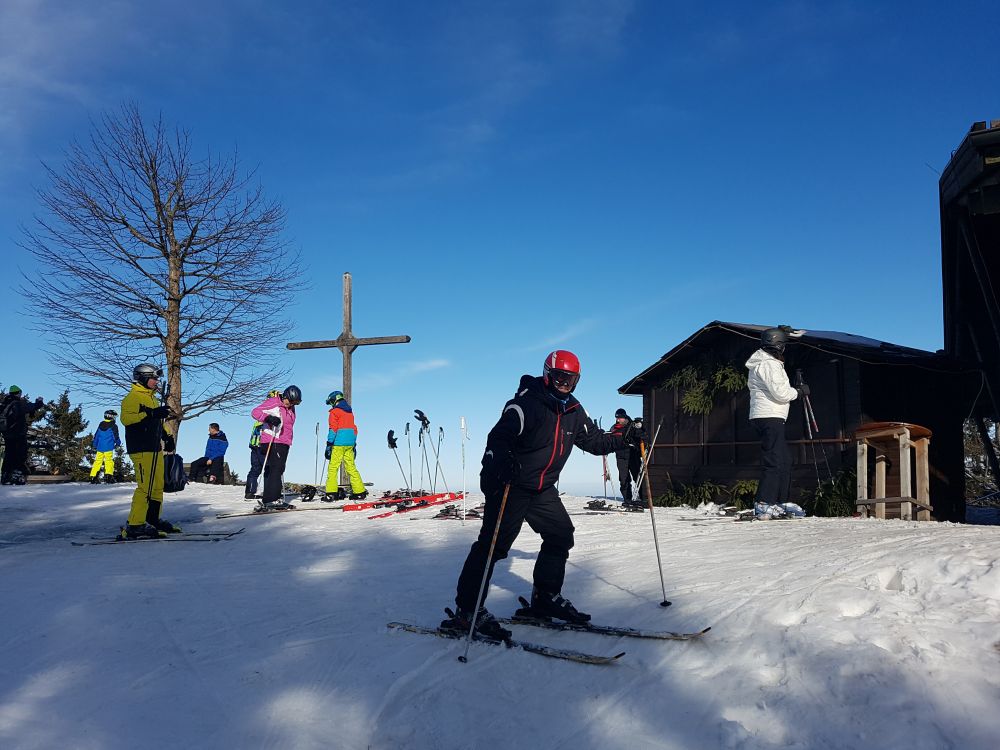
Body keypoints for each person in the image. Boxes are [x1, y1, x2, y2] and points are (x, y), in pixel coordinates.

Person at [441, 350, 626, 640]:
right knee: (493, 546)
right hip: (510, 484)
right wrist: (502, 463)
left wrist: (624, 438)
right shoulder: (526, 404)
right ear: (547, 374)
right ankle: (468, 612)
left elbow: (593, 441)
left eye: (571, 379)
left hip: (541, 488)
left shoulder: (574, 411)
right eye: (560, 377)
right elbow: (498, 440)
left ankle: (545, 598)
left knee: (561, 535)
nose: (565, 383)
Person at [745, 327, 808, 514]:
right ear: (778, 345)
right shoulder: (768, 364)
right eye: (783, 345)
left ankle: (779, 501)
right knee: (773, 459)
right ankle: (764, 503)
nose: (784, 349)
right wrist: (798, 392)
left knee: (785, 460)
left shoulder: (767, 363)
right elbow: (780, 393)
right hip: (768, 416)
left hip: (771, 416)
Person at [119, 363, 180, 539]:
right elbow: (126, 419)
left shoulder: (152, 398)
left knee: (156, 486)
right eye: (153, 378)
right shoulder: (132, 397)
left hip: (154, 448)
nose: (156, 382)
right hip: (140, 448)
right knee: (145, 487)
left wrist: (167, 437)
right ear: (143, 378)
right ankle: (135, 524)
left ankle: (152, 519)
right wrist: (151, 414)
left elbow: (157, 422)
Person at [250, 385, 301, 510]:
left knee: (277, 469)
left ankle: (271, 497)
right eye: (289, 401)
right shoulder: (274, 402)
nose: (290, 404)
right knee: (277, 468)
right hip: (272, 439)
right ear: (285, 396)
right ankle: (271, 499)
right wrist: (268, 418)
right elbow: (255, 412)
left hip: (284, 441)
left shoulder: (291, 407)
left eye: (294, 403)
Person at [323, 390, 367, 500]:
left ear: (334, 400)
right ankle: (360, 491)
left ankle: (331, 493)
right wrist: (354, 443)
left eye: (331, 402)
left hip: (338, 443)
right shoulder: (349, 412)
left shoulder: (334, 412)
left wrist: (329, 444)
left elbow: (333, 429)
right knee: (351, 467)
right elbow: (354, 429)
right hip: (350, 443)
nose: (331, 404)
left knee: (333, 467)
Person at [0, 385, 45, 485]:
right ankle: (17, 475)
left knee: (9, 454)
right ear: (18, 393)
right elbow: (33, 406)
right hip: (18, 433)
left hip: (7, 434)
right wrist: (39, 401)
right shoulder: (18, 403)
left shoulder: (4, 403)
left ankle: (5, 475)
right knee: (20, 454)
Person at [245, 389, 281, 499]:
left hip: (254, 444)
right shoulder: (268, 411)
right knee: (268, 467)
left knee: (255, 468)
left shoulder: (261, 411)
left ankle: (250, 491)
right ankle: (268, 492)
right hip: (262, 444)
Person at [610, 408, 647, 510]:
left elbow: (642, 436)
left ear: (625, 417)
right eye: (617, 418)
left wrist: (639, 427)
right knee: (624, 479)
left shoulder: (632, 426)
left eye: (620, 418)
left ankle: (643, 499)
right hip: (621, 457)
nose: (618, 420)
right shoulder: (614, 428)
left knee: (638, 477)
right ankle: (627, 499)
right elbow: (610, 441)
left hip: (633, 455)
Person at [90, 409, 122, 484]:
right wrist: (118, 443)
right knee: (109, 461)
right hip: (108, 447)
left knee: (97, 461)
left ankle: (93, 477)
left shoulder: (101, 424)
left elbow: (97, 435)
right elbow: (116, 436)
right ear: (111, 417)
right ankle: (108, 477)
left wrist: (95, 444)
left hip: (100, 447)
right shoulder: (114, 426)